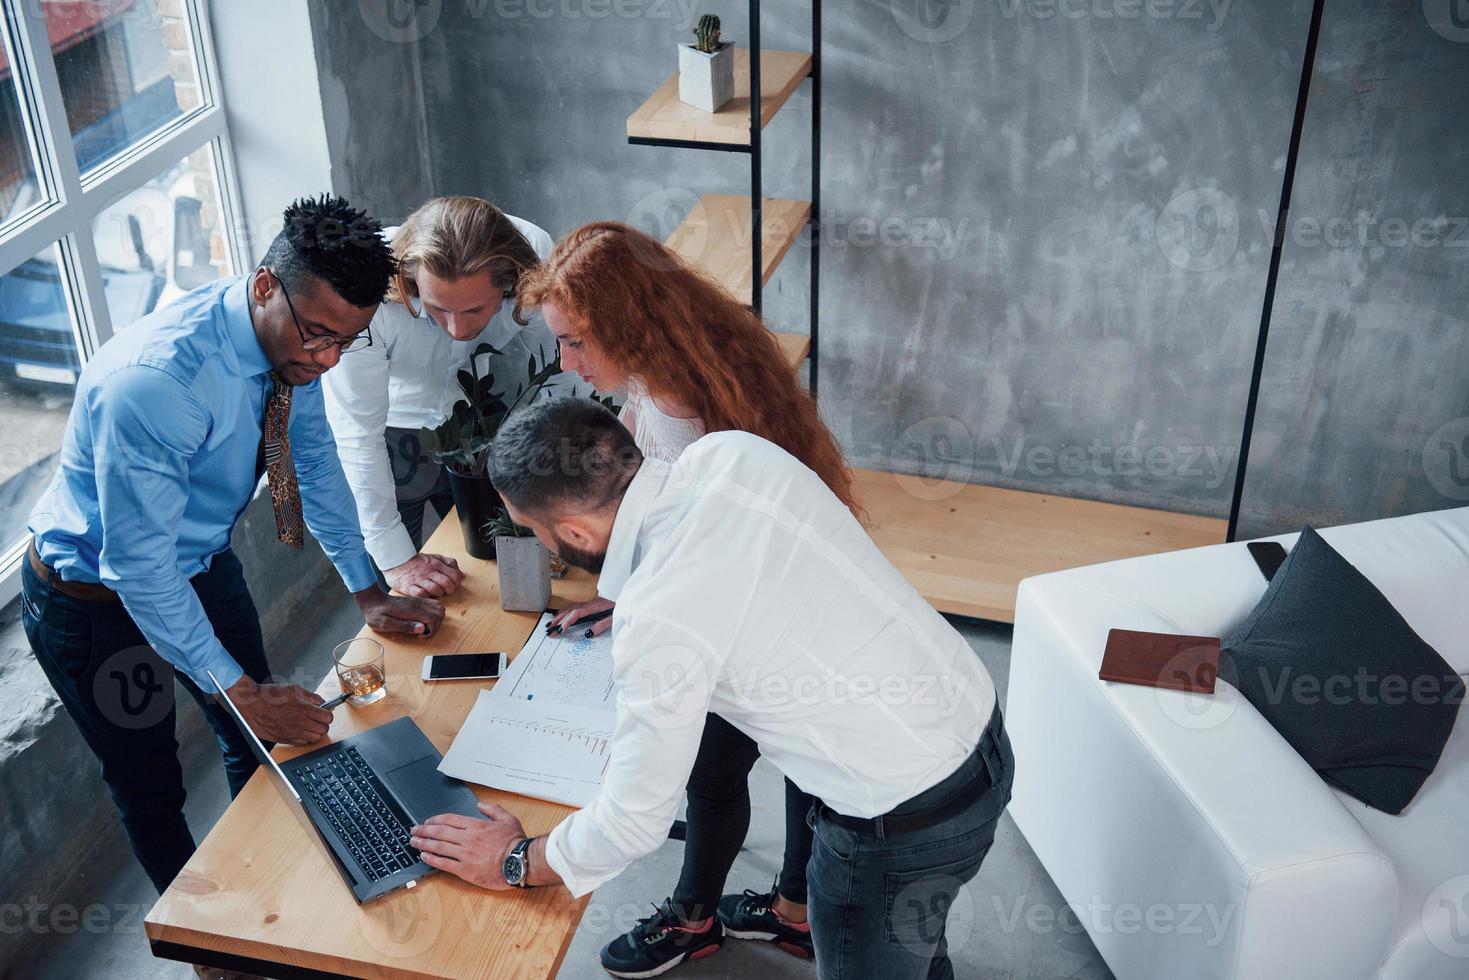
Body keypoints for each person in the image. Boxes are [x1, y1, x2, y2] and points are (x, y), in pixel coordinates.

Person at [409, 399, 1013, 980]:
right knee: (916, 945)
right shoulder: (731, 453)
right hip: (977, 728)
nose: (539, 544)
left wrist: (517, 861)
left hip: (900, 823)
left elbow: (632, 824)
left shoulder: (660, 617)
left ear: (571, 528)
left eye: (533, 531)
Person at [22, 195, 444, 910]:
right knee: (149, 781)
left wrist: (367, 589)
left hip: (201, 565)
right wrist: (241, 692)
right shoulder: (157, 387)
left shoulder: (295, 352)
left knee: (259, 743)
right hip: (95, 605)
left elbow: (311, 459)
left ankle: (272, 895)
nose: (328, 359)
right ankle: (204, 940)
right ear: (262, 287)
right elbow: (139, 569)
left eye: (350, 340)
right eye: (317, 336)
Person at [512, 221, 860, 972]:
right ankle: (791, 910)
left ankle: (696, 918)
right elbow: (657, 500)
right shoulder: (673, 363)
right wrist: (626, 585)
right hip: (748, 592)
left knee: (713, 771)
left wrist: (652, 602)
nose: (567, 364)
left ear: (625, 322)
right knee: (781, 761)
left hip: (745, 608)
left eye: (575, 342)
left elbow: (705, 531)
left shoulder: (693, 398)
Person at [322, 196, 553, 598]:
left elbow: (560, 368)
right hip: (387, 434)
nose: (456, 329)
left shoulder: (534, 256)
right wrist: (395, 559)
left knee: (497, 558)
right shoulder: (366, 287)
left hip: (476, 414)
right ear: (411, 281)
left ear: (508, 282)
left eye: (475, 311)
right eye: (436, 309)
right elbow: (358, 434)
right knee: (400, 584)